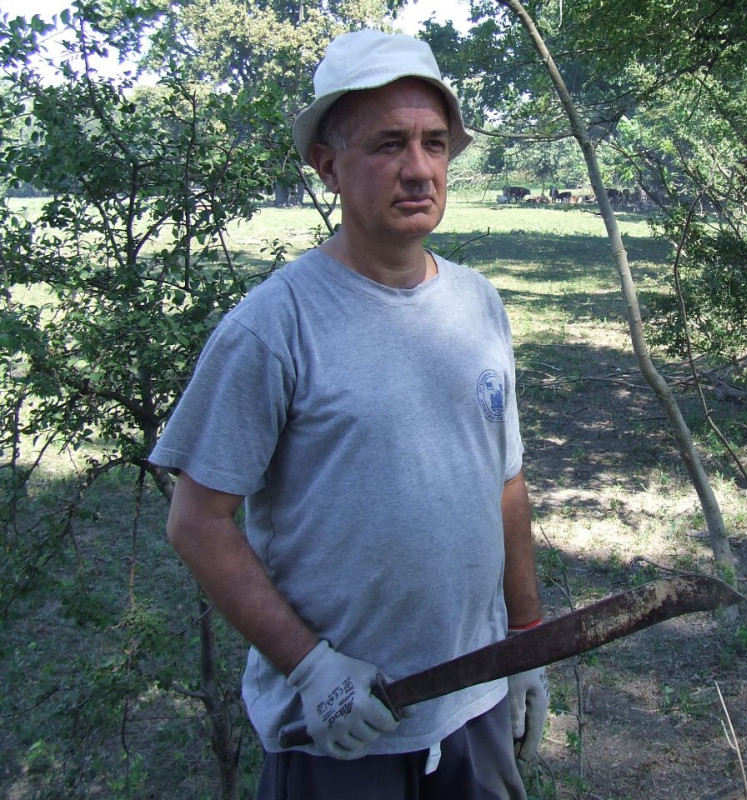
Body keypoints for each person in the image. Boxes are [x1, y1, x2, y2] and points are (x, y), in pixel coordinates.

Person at [151, 28, 548, 799]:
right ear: (327, 166)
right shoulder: (274, 326)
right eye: (388, 144)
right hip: (341, 725)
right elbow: (196, 522)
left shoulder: (478, 304)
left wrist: (527, 639)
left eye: (435, 144)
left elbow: (504, 483)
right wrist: (312, 668)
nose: (419, 169)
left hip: (473, 705)